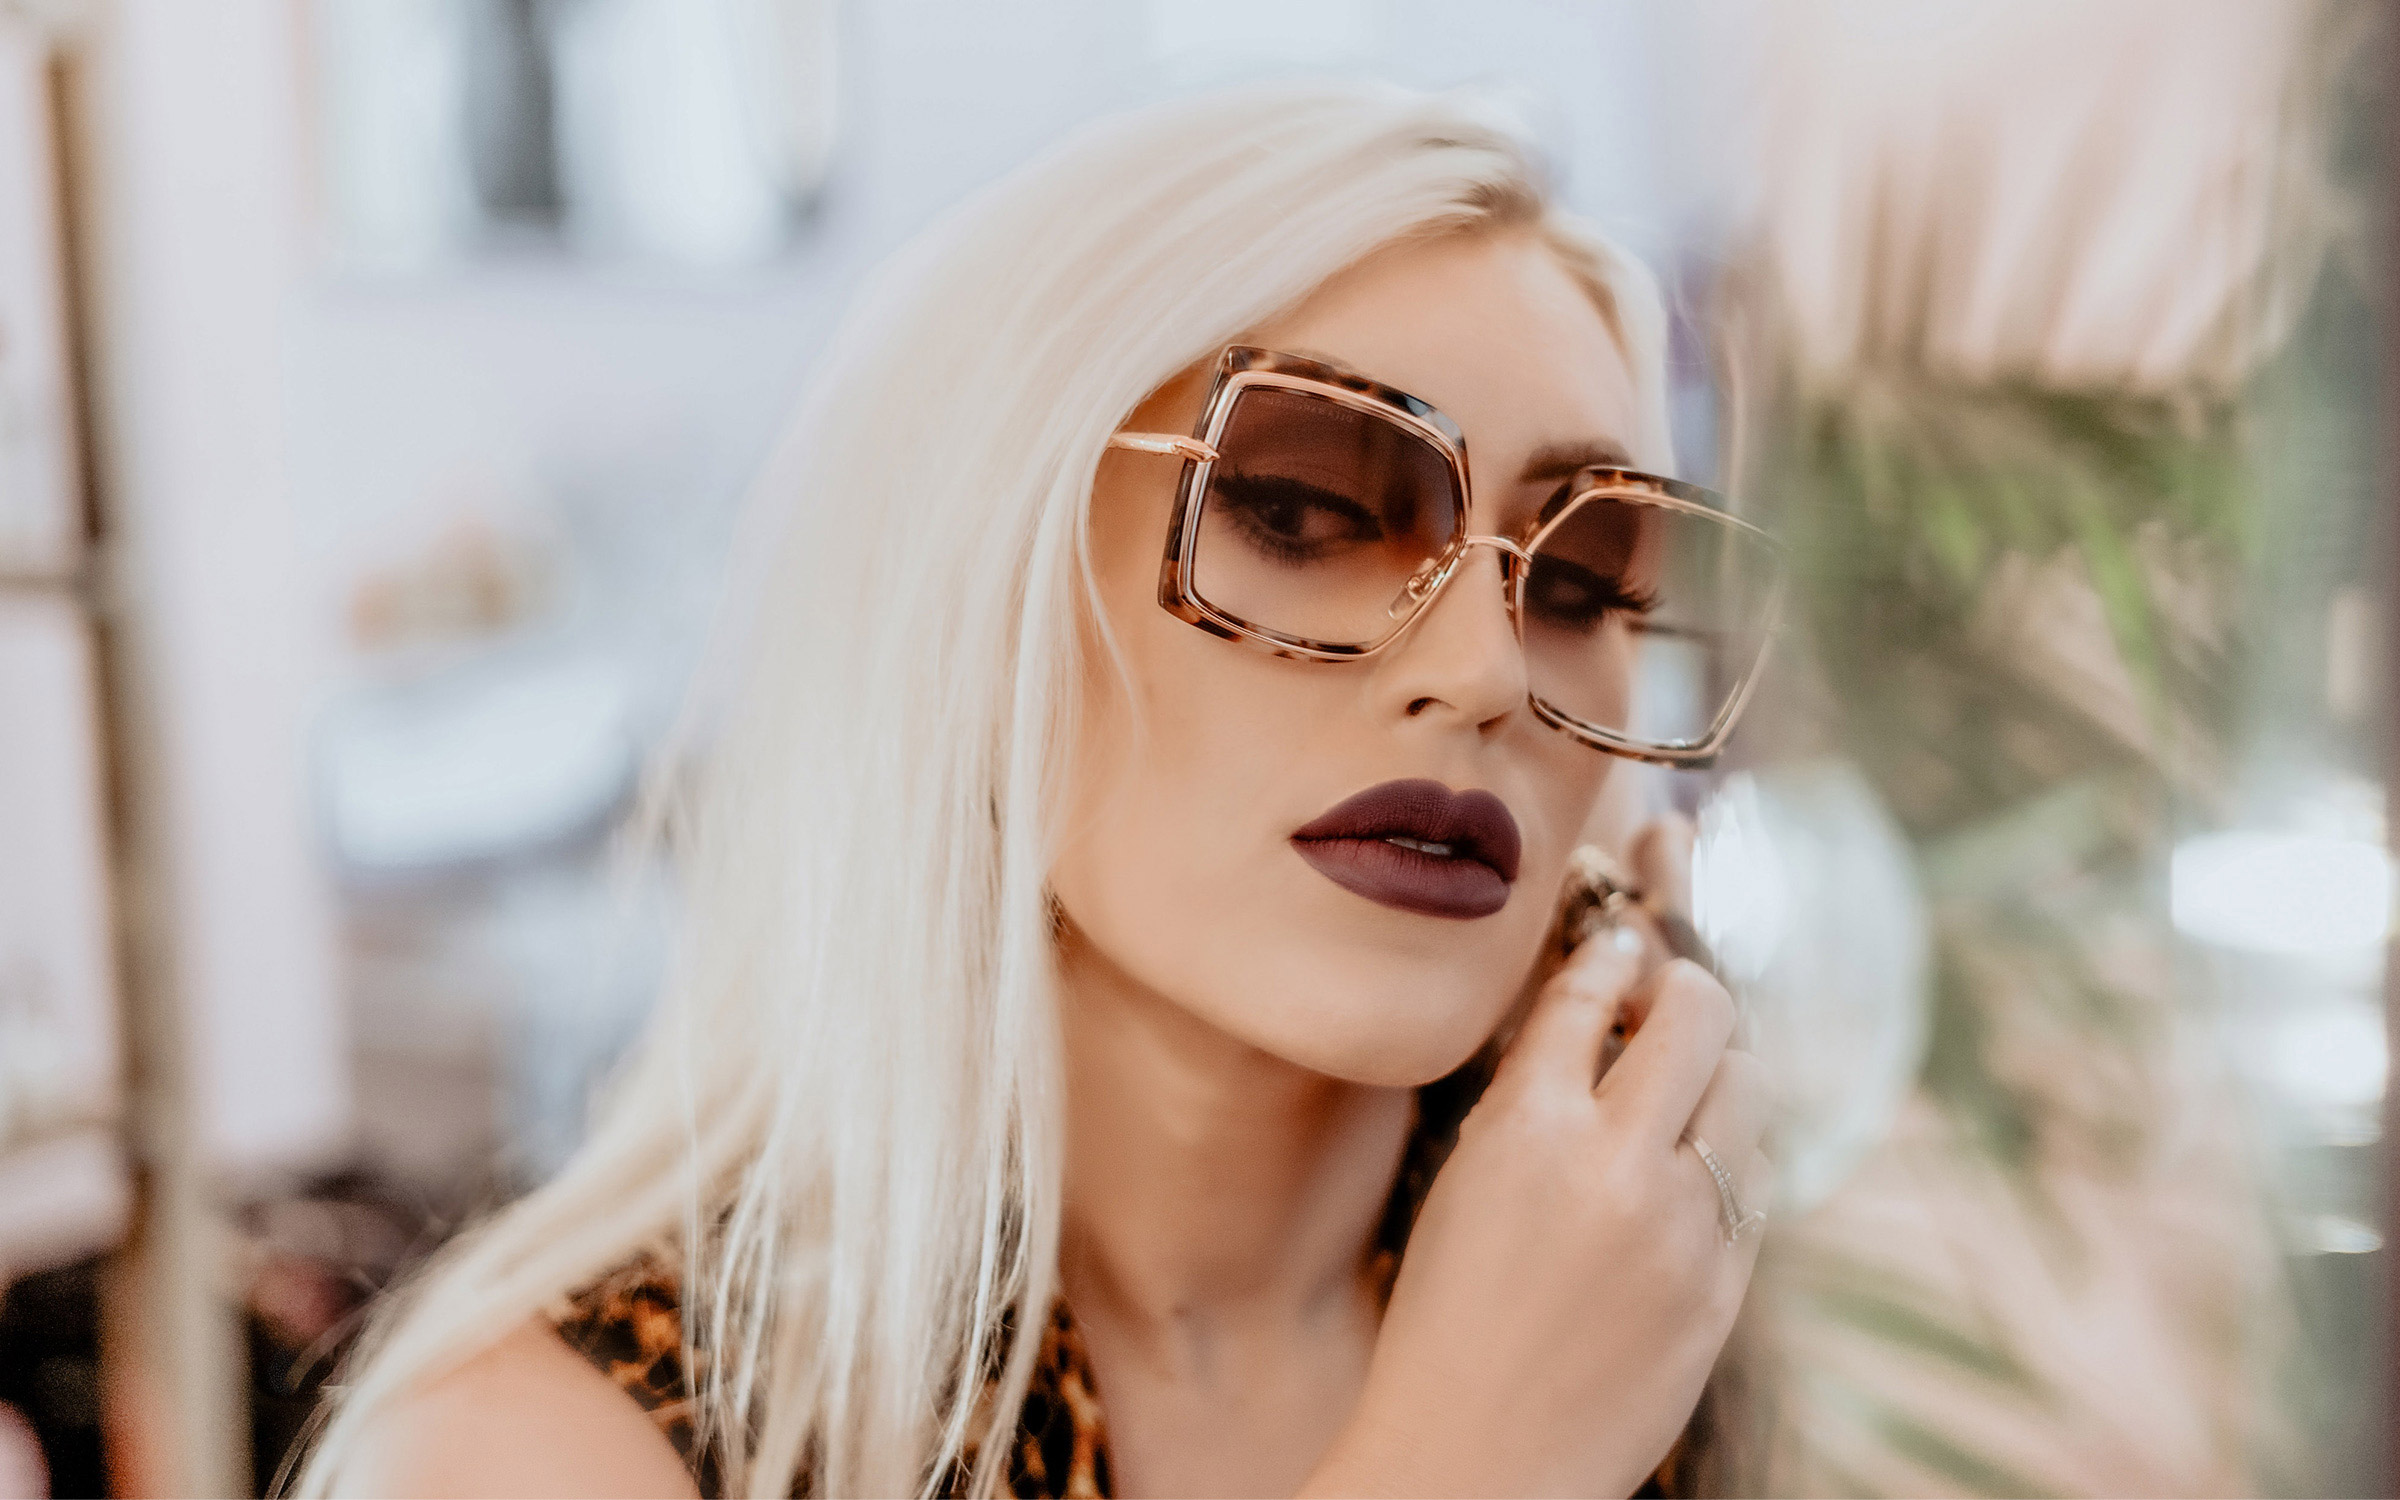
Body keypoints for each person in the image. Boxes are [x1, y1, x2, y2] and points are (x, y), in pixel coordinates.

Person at [299, 80, 1777, 1499]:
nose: (1488, 671)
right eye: (1306, 508)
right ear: (983, 579)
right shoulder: (540, 1449)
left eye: (1582, 582)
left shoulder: (1670, 1308)